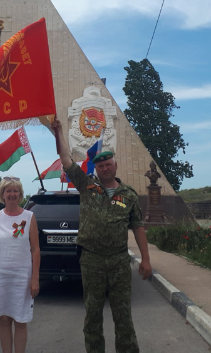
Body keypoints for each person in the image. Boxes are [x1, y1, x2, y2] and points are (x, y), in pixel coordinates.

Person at [52, 119, 152, 353]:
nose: (105, 168)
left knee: (123, 315)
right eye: (101, 166)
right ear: (96, 169)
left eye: (108, 164)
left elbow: (137, 227)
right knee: (93, 315)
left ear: (115, 166)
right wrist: (58, 133)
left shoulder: (128, 194)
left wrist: (146, 259)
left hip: (118, 261)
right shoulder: (88, 187)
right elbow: (66, 160)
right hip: (92, 260)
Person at [0, 176, 40, 353]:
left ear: (20, 194)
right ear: (2, 194)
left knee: (20, 321)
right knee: (5, 320)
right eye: (8, 190)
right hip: (1, 277)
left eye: (16, 190)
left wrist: (35, 279)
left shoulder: (29, 217)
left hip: (22, 277)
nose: (12, 194)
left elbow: (35, 249)